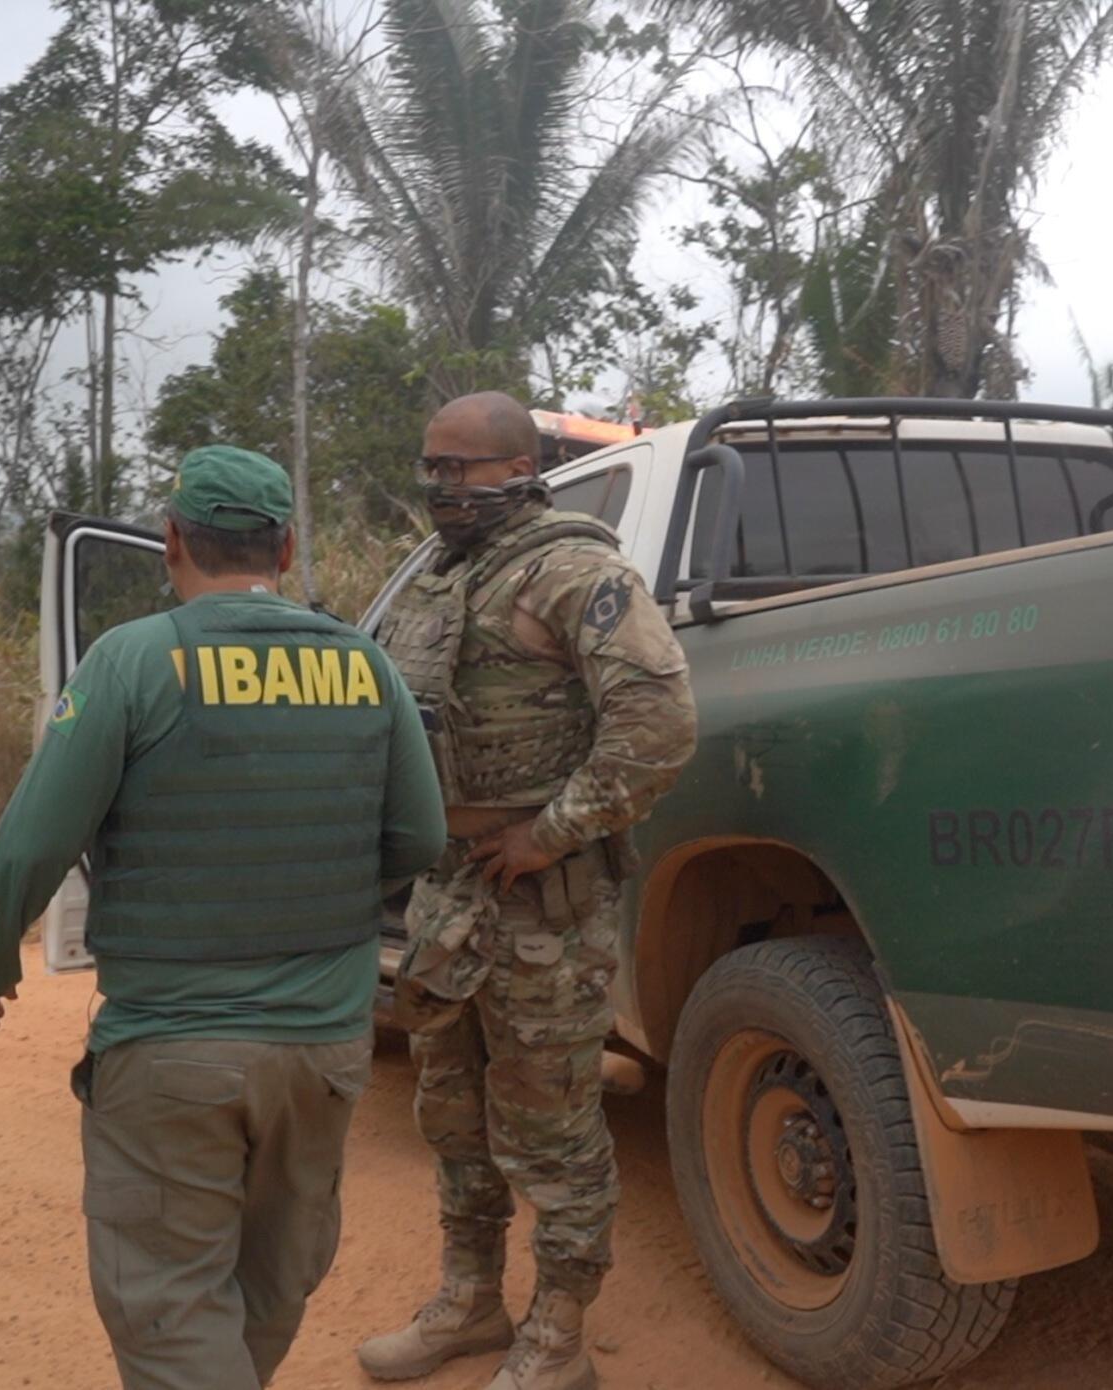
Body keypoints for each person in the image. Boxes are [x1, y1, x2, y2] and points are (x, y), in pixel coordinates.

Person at [0, 444, 448, 1390]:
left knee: (171, 1306)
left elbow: (31, 844)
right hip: (325, 1050)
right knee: (272, 1281)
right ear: (288, 547)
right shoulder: (365, 665)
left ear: (171, 540)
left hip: (171, 1047)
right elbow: (419, 838)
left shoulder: (132, 661)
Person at [360, 393, 697, 1390]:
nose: (437, 487)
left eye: (456, 469)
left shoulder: (573, 570)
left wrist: (549, 833)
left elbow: (658, 724)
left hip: (539, 904)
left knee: (550, 1126)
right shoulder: (441, 578)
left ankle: (557, 1333)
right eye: (428, 467)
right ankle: (470, 1300)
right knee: (452, 1114)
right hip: (447, 892)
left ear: (518, 469)